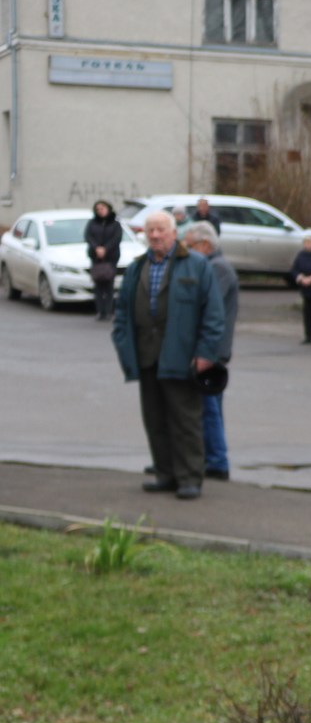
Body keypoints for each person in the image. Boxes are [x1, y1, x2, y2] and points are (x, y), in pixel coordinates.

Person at [111, 210, 224, 500]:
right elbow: (122, 313)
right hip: (147, 358)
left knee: (185, 421)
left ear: (174, 233)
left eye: (161, 230)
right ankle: (166, 474)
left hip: (184, 359)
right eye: (151, 230)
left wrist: (206, 354)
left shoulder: (196, 266)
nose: (155, 235)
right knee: (155, 420)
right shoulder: (137, 268)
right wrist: (125, 349)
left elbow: (213, 315)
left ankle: (189, 478)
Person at [183, 223, 239, 482]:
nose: (186, 250)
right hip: (213, 347)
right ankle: (212, 458)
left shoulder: (217, 269)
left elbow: (206, 307)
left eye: (190, 245)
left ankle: (216, 461)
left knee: (208, 407)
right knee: (210, 406)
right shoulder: (217, 267)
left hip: (212, 350)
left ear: (205, 245)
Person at [84, 200, 124, 322]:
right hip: (96, 258)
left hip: (111, 258)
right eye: (98, 209)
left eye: (102, 208)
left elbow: (117, 238)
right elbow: (88, 236)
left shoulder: (115, 224)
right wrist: (96, 248)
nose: (100, 211)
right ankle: (100, 310)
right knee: (98, 285)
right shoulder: (92, 223)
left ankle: (109, 310)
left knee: (109, 285)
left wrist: (105, 249)